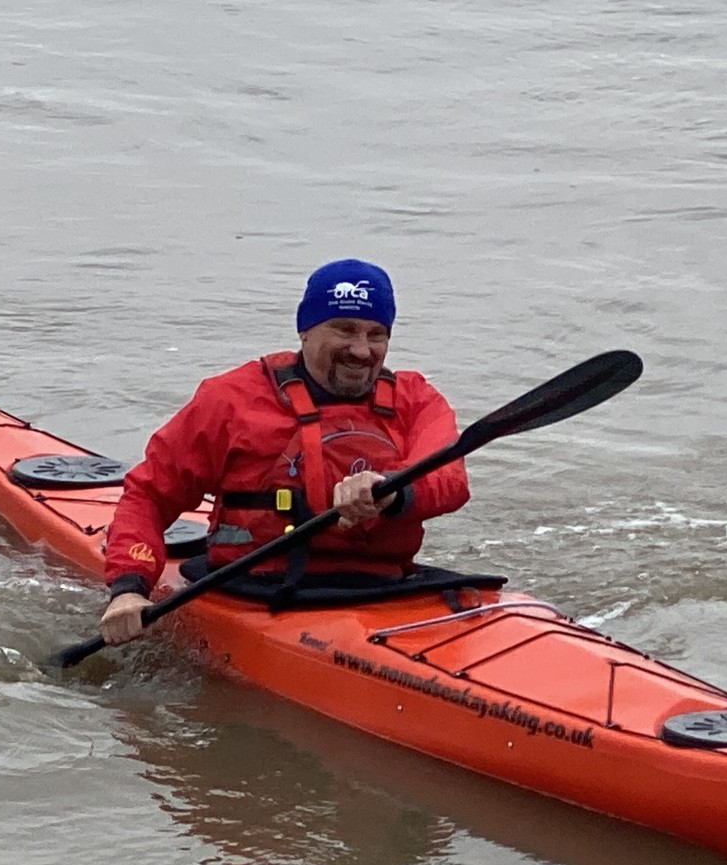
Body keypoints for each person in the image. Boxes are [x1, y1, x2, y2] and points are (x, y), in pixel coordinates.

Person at [99, 259, 469, 644]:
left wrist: (390, 489)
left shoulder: (417, 400)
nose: (361, 350)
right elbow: (148, 494)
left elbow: (449, 479)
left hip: (383, 588)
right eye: (344, 330)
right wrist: (128, 587)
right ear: (305, 331)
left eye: (376, 335)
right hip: (252, 588)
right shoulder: (231, 399)